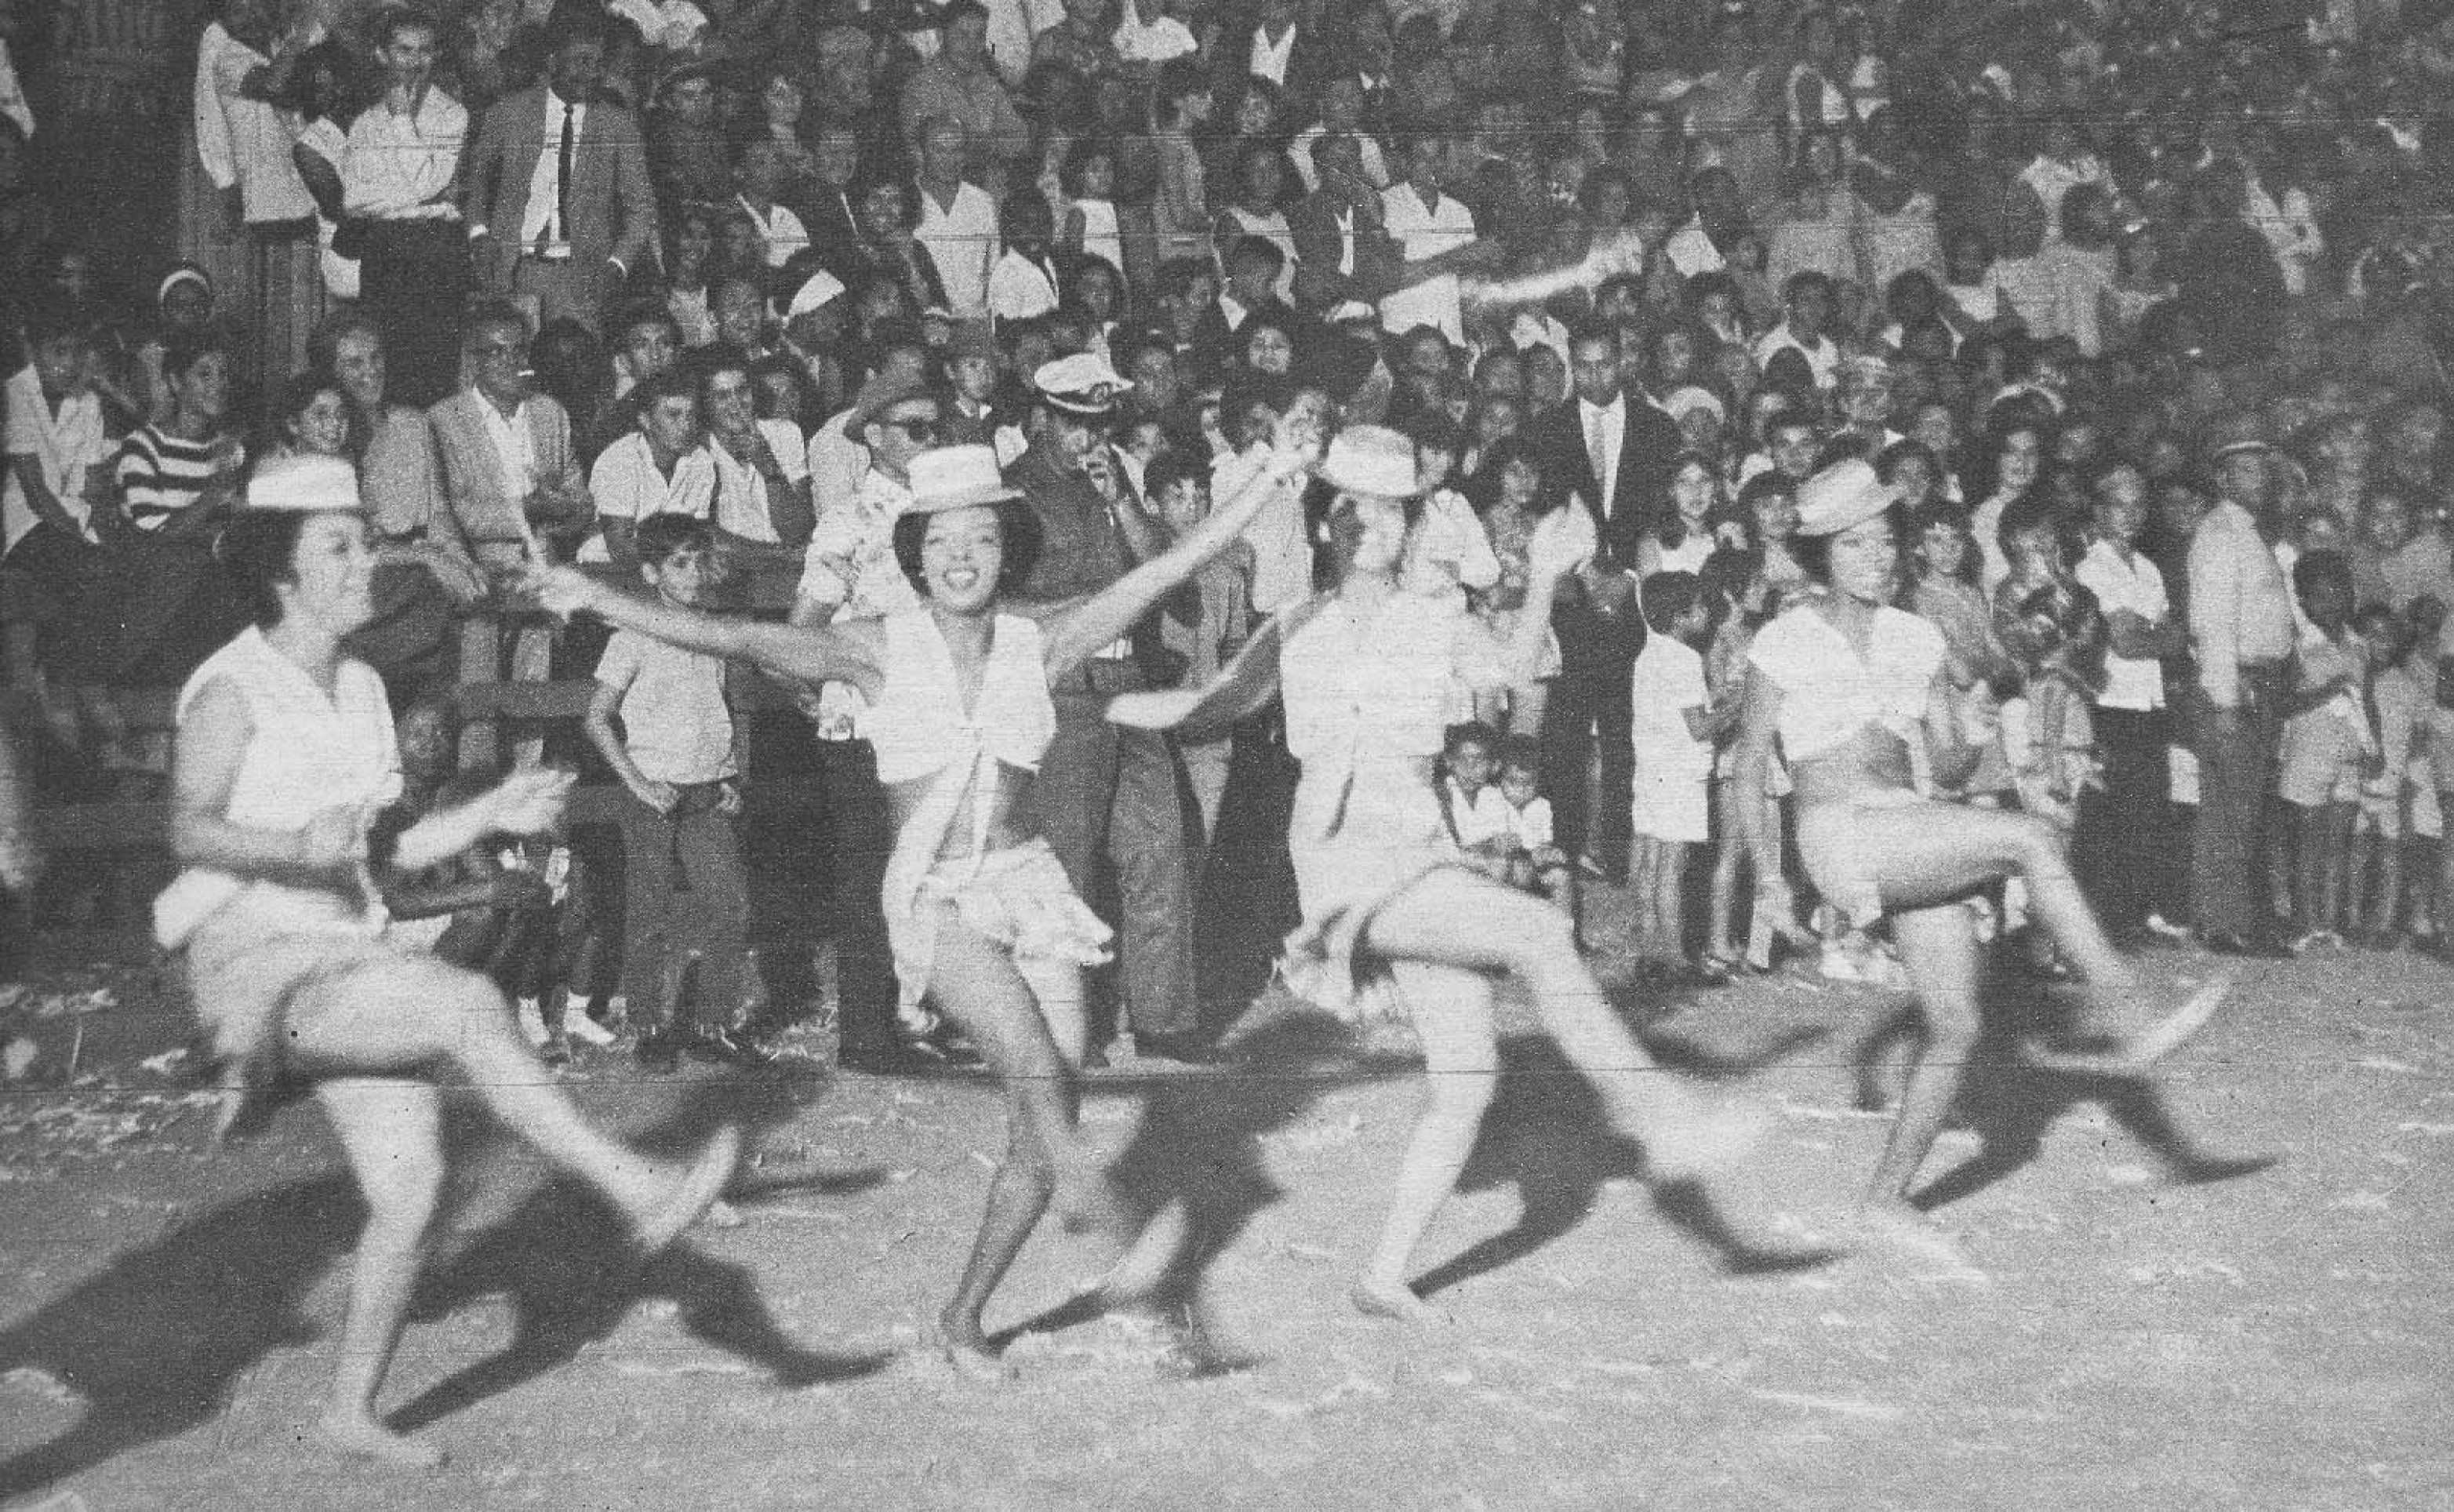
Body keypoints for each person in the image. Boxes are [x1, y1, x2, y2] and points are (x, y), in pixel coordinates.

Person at [529, 434, 1305, 1376]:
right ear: (915, 554)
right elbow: (736, 636)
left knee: (1039, 1115)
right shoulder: (873, 647)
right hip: (933, 896)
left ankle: (965, 1316)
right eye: (940, 541)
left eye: (979, 538)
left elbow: (1174, 564)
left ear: (1006, 548)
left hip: (1027, 883)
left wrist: (1267, 470)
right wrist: (596, 593)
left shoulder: (1043, 638)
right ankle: (1110, 1219)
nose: (961, 556)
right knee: (1027, 1061)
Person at [1111, 424, 1809, 1323]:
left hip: (1417, 847)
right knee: (1539, 929)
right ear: (1328, 521)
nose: (1375, 526)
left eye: (1394, 512)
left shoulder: (1435, 616)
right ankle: (1660, 1113)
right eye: (1356, 509)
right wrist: (1105, 705)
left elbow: (1515, 671)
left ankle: (1384, 1271)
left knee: (1468, 1078)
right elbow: (1215, 705)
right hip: (1338, 858)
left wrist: (1550, 576)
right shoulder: (1296, 621)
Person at [161, 455, 736, 1467]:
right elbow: (191, 830)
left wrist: (485, 810)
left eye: (364, 541)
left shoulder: (364, 685)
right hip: (250, 956)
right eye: (339, 547)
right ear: (284, 574)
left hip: (344, 949)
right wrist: (292, 847)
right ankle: (633, 1185)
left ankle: (349, 1409)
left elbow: (381, 852)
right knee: (468, 1000)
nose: (366, 562)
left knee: (414, 1190)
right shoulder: (234, 684)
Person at [1732, 459, 2230, 1263]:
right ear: (1823, 553)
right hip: (1837, 830)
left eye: (1885, 541)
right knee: (2028, 838)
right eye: (1855, 545)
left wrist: (1980, 710)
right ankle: (2125, 1010)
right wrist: (1766, 878)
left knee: (1957, 1025)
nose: (1877, 557)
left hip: (1908, 824)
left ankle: (1883, 1200)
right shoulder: (1784, 639)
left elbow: (1954, 766)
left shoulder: (1916, 635)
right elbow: (1752, 770)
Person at [584, 514, 773, 1069]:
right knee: (651, 911)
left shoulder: (711, 634)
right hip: (654, 794)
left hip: (705, 792)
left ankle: (711, 1026)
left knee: (730, 907)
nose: (693, 575)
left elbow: (724, 712)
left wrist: (731, 776)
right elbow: (596, 718)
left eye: (698, 562)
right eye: (678, 564)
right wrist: (638, 784)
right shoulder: (634, 635)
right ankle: (649, 1027)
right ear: (650, 573)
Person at [463, 8, 656, 331]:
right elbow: (476, 183)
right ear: (553, 61)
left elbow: (641, 208)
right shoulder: (507, 113)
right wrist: (479, 235)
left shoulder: (619, 126)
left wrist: (618, 264)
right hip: (510, 270)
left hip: (581, 279)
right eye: (581, 61)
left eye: (598, 64)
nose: (592, 73)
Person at [2186, 420, 2299, 957]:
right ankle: (2229, 922)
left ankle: (2224, 920)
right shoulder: (2219, 535)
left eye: (2263, 470)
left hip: (2262, 683)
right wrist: (2225, 702)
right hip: (2239, 686)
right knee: (2233, 807)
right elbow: (2215, 625)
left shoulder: (2249, 532)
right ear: (2221, 478)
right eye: (2246, 471)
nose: (2259, 480)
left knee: (2239, 806)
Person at [1627, 570, 1731, 984]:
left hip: (1651, 769)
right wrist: (1737, 708)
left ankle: (1645, 950)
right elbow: (1699, 728)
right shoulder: (1685, 659)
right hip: (1680, 774)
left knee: (1649, 863)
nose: (1706, 615)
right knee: (1673, 867)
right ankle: (1676, 960)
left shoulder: (1647, 656)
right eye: (1701, 608)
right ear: (1680, 616)